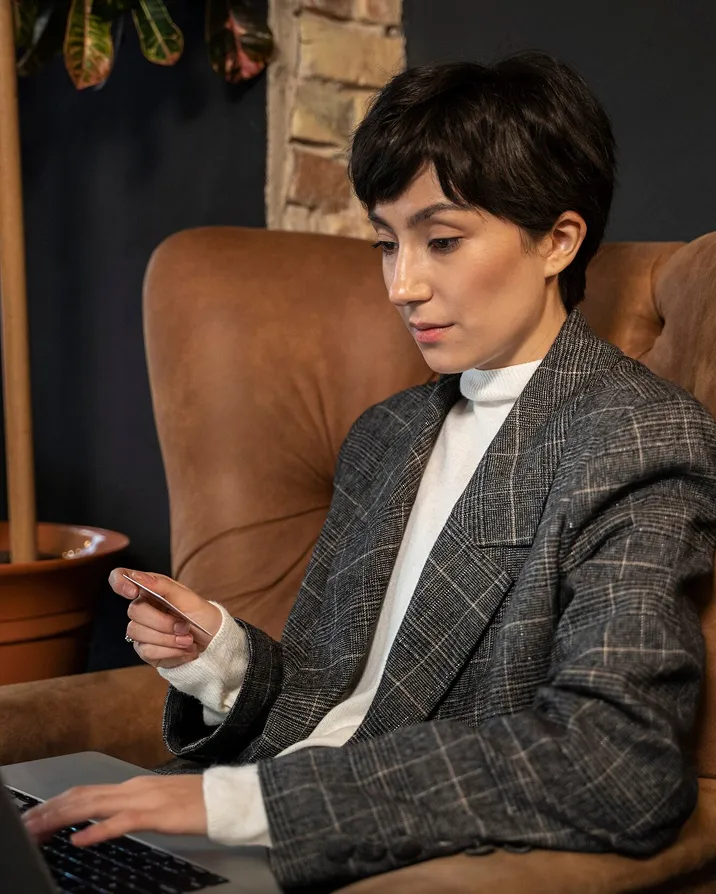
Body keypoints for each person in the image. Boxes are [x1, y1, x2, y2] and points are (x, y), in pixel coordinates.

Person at [23, 51, 716, 890]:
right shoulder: (388, 435)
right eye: (388, 242)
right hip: (236, 824)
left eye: (443, 240)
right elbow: (340, 698)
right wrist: (224, 658)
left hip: (365, 851)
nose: (401, 284)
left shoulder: (639, 438)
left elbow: (618, 764)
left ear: (558, 242)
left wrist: (240, 807)